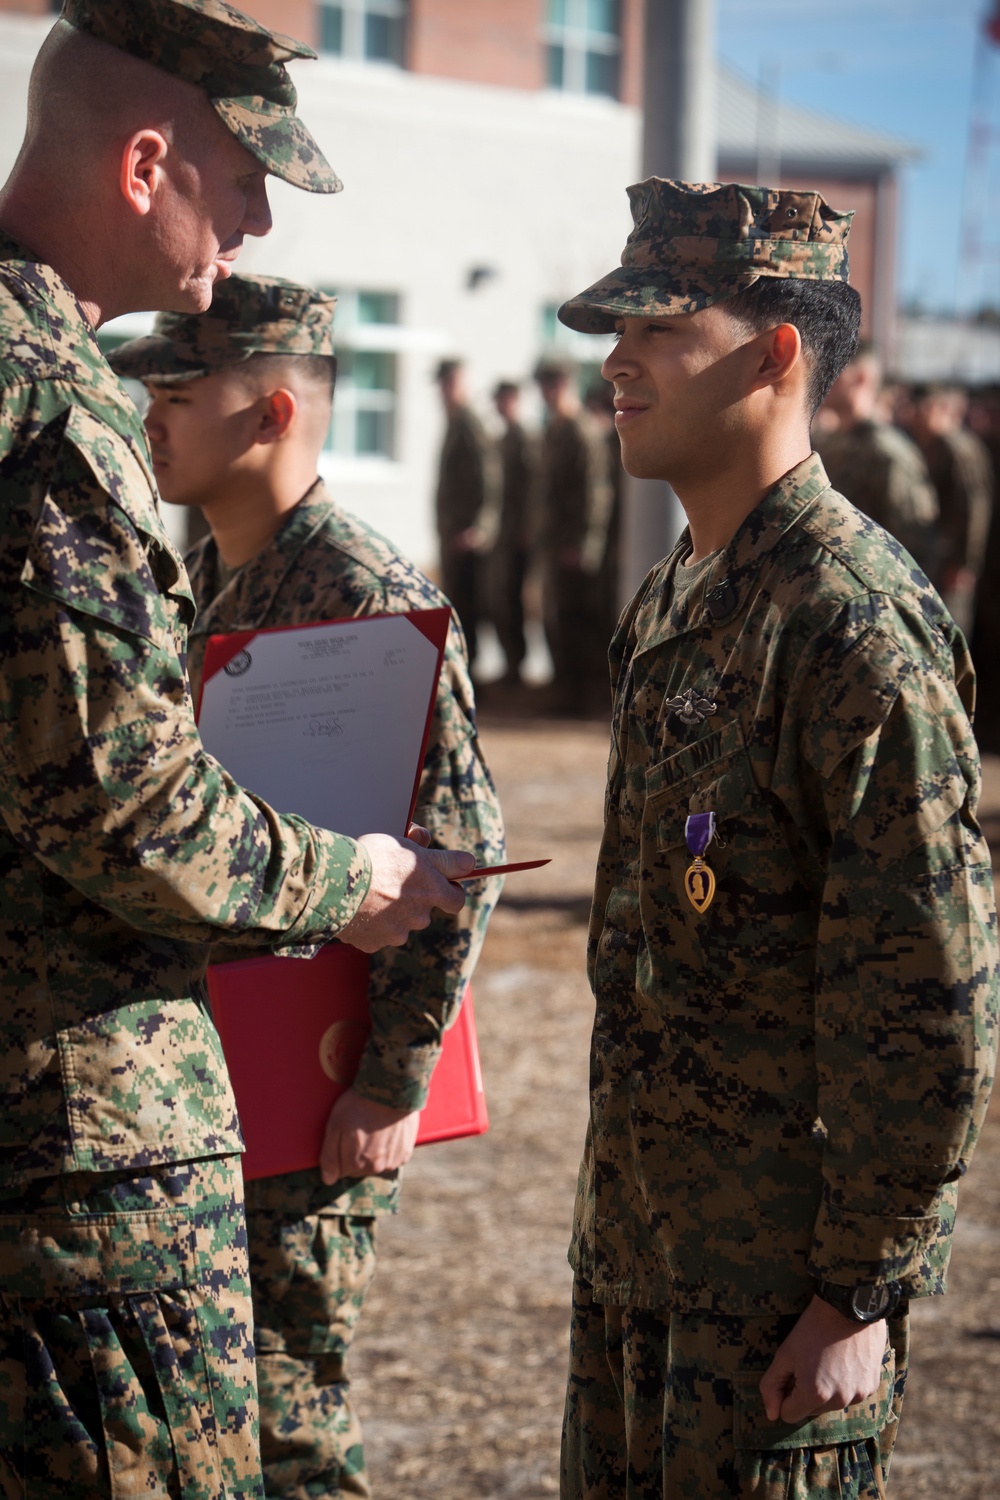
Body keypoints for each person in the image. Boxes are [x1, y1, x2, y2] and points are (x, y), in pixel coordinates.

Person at [0, 4, 474, 1495]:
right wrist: (348, 878)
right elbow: (122, 800)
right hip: (76, 1166)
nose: (262, 220)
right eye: (246, 175)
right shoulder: (49, 411)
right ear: (146, 164)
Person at [555, 178, 999, 1498]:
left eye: (658, 331)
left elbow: (925, 989)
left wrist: (860, 1291)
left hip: (773, 1305)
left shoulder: (850, 620)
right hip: (641, 1255)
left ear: (774, 350)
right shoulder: (675, 598)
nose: (616, 365)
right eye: (611, 333)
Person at [109, 272, 506, 1498]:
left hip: (313, 1088)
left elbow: (461, 856)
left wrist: (391, 1082)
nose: (150, 418)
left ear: (273, 413)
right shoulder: (205, 577)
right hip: (216, 1069)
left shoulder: (360, 594)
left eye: (179, 393)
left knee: (283, 1413)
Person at [814, 344, 940, 580]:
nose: (821, 376)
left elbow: (915, 550)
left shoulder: (888, 453)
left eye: (833, 368)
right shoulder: (831, 442)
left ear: (860, 378)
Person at [534, 358, 614, 713]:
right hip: (554, 544)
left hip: (573, 547)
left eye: (551, 385)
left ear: (565, 385)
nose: (546, 394)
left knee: (578, 622)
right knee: (556, 621)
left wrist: (584, 546)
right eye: (542, 386)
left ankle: (581, 696)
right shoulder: (554, 430)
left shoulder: (582, 432)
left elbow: (596, 494)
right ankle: (565, 691)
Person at [907, 383, 994, 635]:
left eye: (925, 409)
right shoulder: (928, 444)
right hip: (935, 554)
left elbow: (975, 507)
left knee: (952, 628)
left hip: (953, 560)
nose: (918, 417)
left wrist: (965, 562)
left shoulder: (955, 448)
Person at [433, 358, 501, 669]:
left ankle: (469, 671)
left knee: (468, 606)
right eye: (442, 383)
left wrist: (480, 527)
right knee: (457, 602)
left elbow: (490, 478)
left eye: (451, 382)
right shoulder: (454, 422)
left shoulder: (470, 423)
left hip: (466, 535)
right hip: (452, 532)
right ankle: (463, 668)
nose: (445, 390)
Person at [490, 379, 536, 685]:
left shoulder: (524, 438)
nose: (501, 405)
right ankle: (510, 665)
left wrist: (527, 528)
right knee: (501, 598)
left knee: (516, 599)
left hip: (520, 534)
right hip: (503, 534)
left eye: (506, 399)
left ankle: (517, 665)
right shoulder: (503, 438)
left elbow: (533, 488)